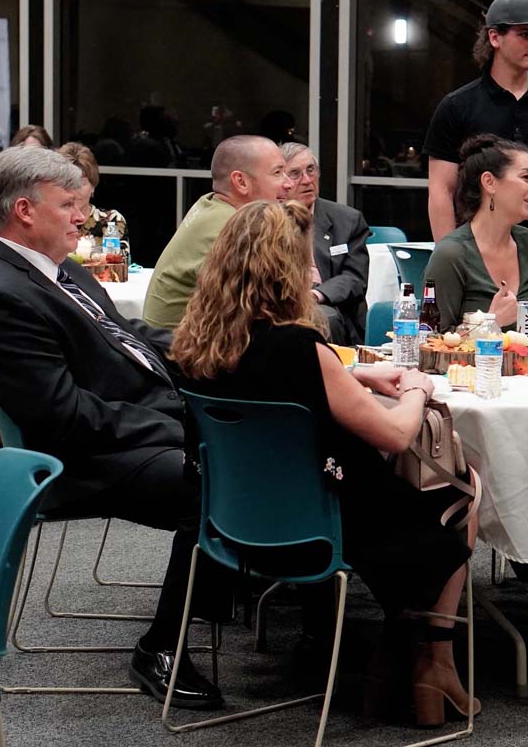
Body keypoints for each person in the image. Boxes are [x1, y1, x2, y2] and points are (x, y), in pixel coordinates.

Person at [171, 199, 478, 727]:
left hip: (232, 524)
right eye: (304, 260)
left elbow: (271, 378)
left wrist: (355, 376)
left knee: (418, 488)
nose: (315, 270)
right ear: (282, 269)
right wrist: (414, 387)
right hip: (324, 523)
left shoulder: (199, 343)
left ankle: (411, 655)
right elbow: (397, 433)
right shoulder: (301, 347)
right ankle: (430, 659)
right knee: (461, 490)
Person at [0, 145, 227, 711]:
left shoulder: (58, 269)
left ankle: (252, 592)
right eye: (72, 204)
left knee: (257, 440)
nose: (86, 216)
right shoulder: (1, 298)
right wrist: (177, 423)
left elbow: (126, 336)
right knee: (216, 480)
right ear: (25, 211)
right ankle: (162, 647)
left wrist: (220, 354)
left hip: (129, 422)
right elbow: (64, 418)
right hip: (79, 460)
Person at [424, 0, 528, 262]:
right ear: (494, 37)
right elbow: (441, 189)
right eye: (524, 34)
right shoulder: (457, 105)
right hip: (474, 246)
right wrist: (450, 257)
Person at [423, 135, 528, 333]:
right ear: (489, 182)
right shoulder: (451, 254)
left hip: (527, 364)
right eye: (525, 177)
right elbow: (432, 343)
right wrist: (490, 323)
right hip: (474, 365)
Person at [144, 135, 293, 329]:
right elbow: (265, 309)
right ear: (240, 182)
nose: (289, 183)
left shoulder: (210, 204)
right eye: (277, 173)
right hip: (181, 352)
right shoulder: (234, 228)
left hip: (175, 343)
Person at [280, 142, 370, 344]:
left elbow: (354, 278)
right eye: (295, 173)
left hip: (327, 303)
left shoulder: (347, 220)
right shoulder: (267, 219)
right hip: (279, 299)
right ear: (281, 180)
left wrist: (315, 294)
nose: (306, 180)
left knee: (321, 318)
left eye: (310, 170)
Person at [56, 141, 127, 242]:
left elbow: (117, 257)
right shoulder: (49, 220)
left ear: (93, 186)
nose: (75, 191)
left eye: (81, 183)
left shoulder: (111, 221)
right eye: (69, 183)